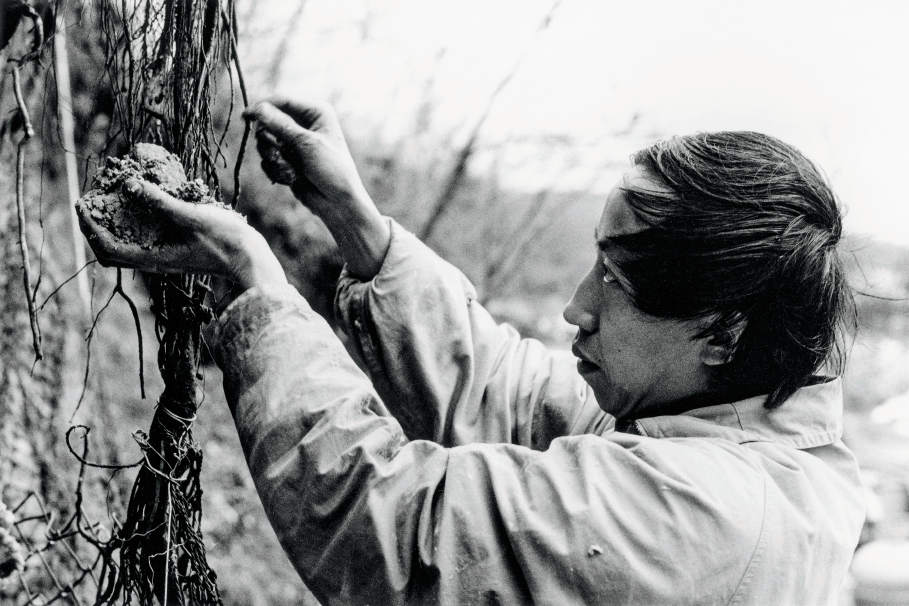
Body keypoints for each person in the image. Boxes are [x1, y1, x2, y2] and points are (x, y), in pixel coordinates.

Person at [79, 98, 866, 606]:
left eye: (618, 282)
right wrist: (354, 220)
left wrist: (255, 281)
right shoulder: (714, 415)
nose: (577, 308)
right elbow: (503, 392)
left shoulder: (705, 519)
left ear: (723, 331)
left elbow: (401, 531)